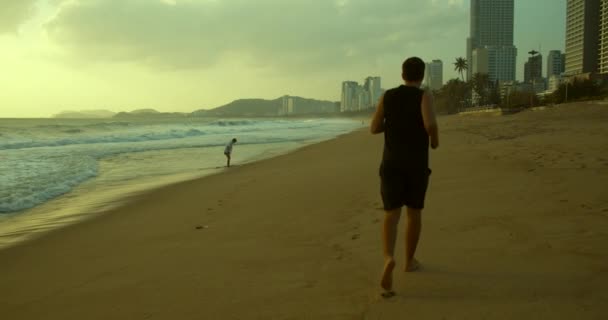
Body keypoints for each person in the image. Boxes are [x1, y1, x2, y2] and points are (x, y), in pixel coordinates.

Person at [370, 57, 439, 297]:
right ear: (421, 76)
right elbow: (430, 124)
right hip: (416, 164)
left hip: (391, 163)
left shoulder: (387, 96)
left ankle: (389, 257)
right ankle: (409, 261)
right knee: (414, 213)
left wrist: (391, 125)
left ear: (402, 75)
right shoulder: (424, 95)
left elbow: (374, 127)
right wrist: (435, 142)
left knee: (391, 213)